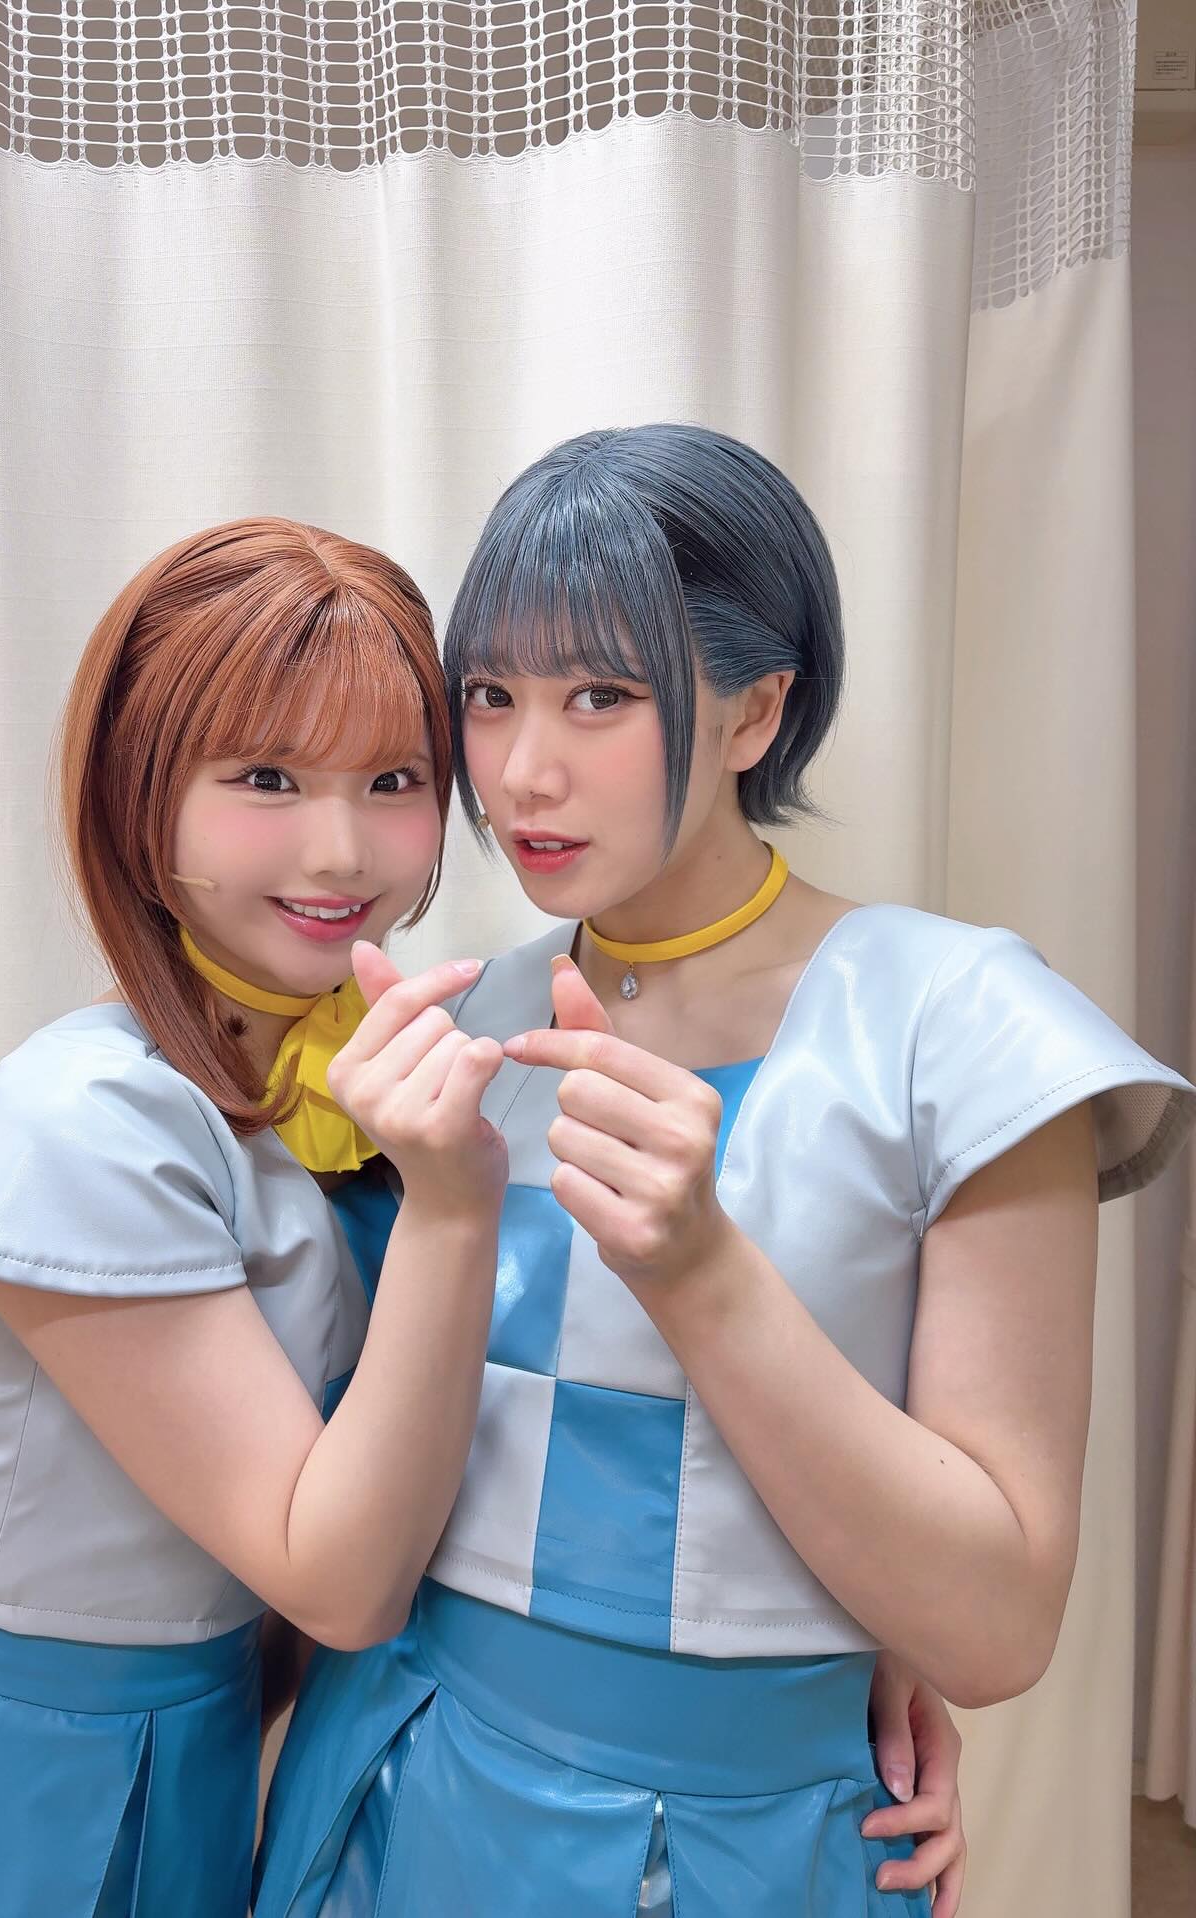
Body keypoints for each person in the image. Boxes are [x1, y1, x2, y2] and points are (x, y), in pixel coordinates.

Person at [254, 425, 1196, 1918]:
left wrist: (701, 1270)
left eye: (602, 695)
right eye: (490, 694)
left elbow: (997, 1628)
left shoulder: (960, 1027)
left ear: (760, 710)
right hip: (401, 1787)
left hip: (756, 1846)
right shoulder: (447, 1030)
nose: (522, 770)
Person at [0, 519, 510, 1918]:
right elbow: (341, 1582)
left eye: (393, 780)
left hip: (193, 1751)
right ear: (139, 796)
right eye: (267, 777)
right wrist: (457, 1212)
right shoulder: (84, 1120)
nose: (340, 846)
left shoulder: (366, 1087)